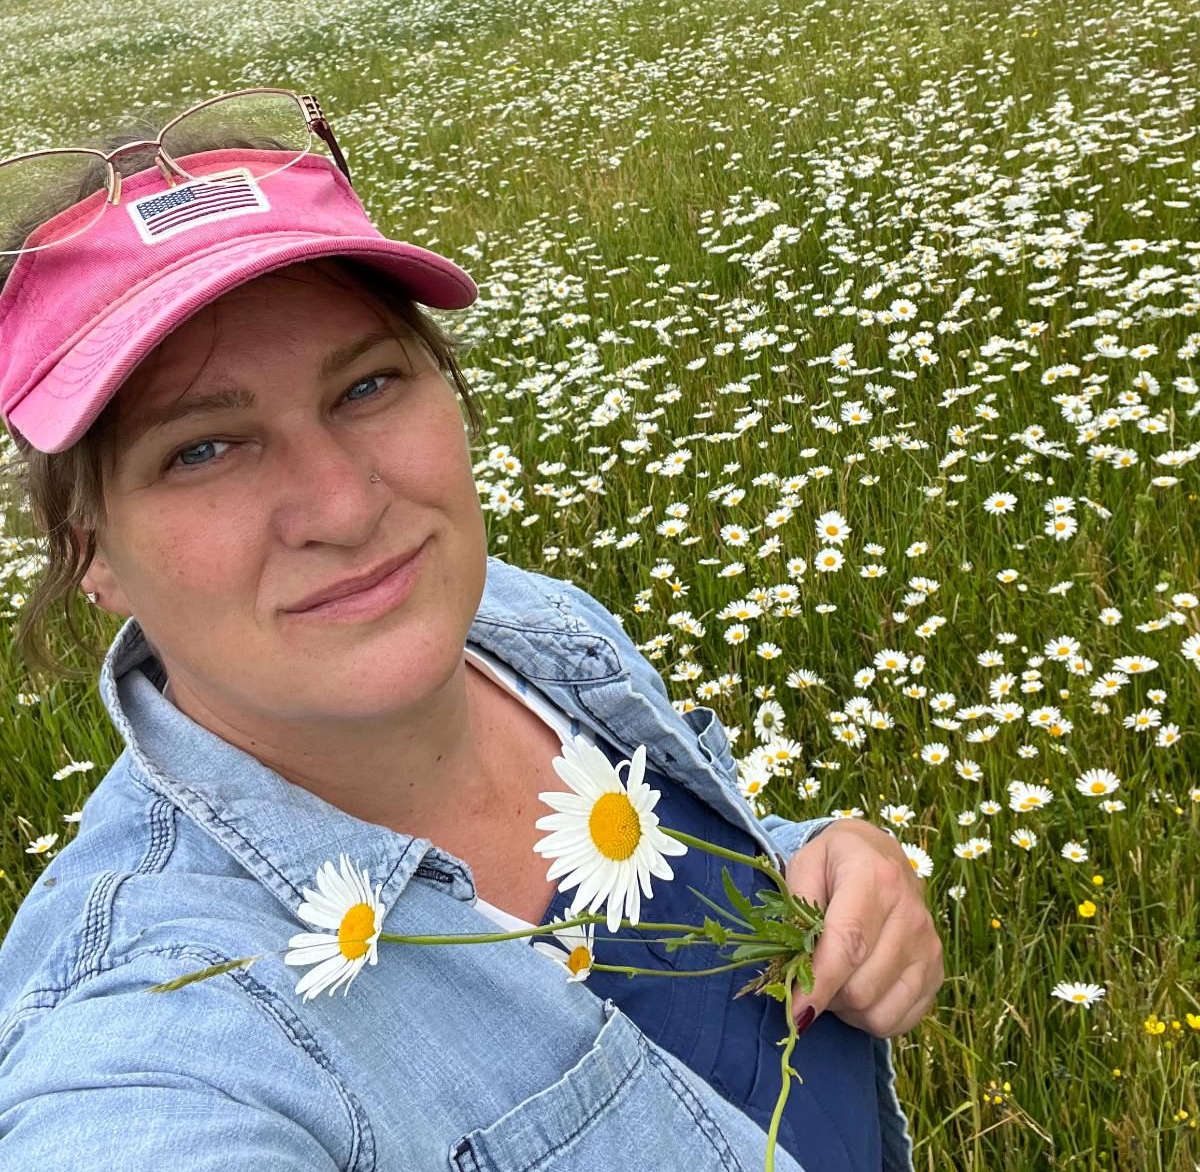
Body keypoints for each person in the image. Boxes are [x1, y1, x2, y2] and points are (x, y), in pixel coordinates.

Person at [0, 97, 940, 1170]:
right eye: (204, 449)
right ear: (93, 554)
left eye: (365, 384)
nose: (345, 508)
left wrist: (824, 859)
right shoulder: (161, 1021)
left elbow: (674, 878)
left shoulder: (529, 629)